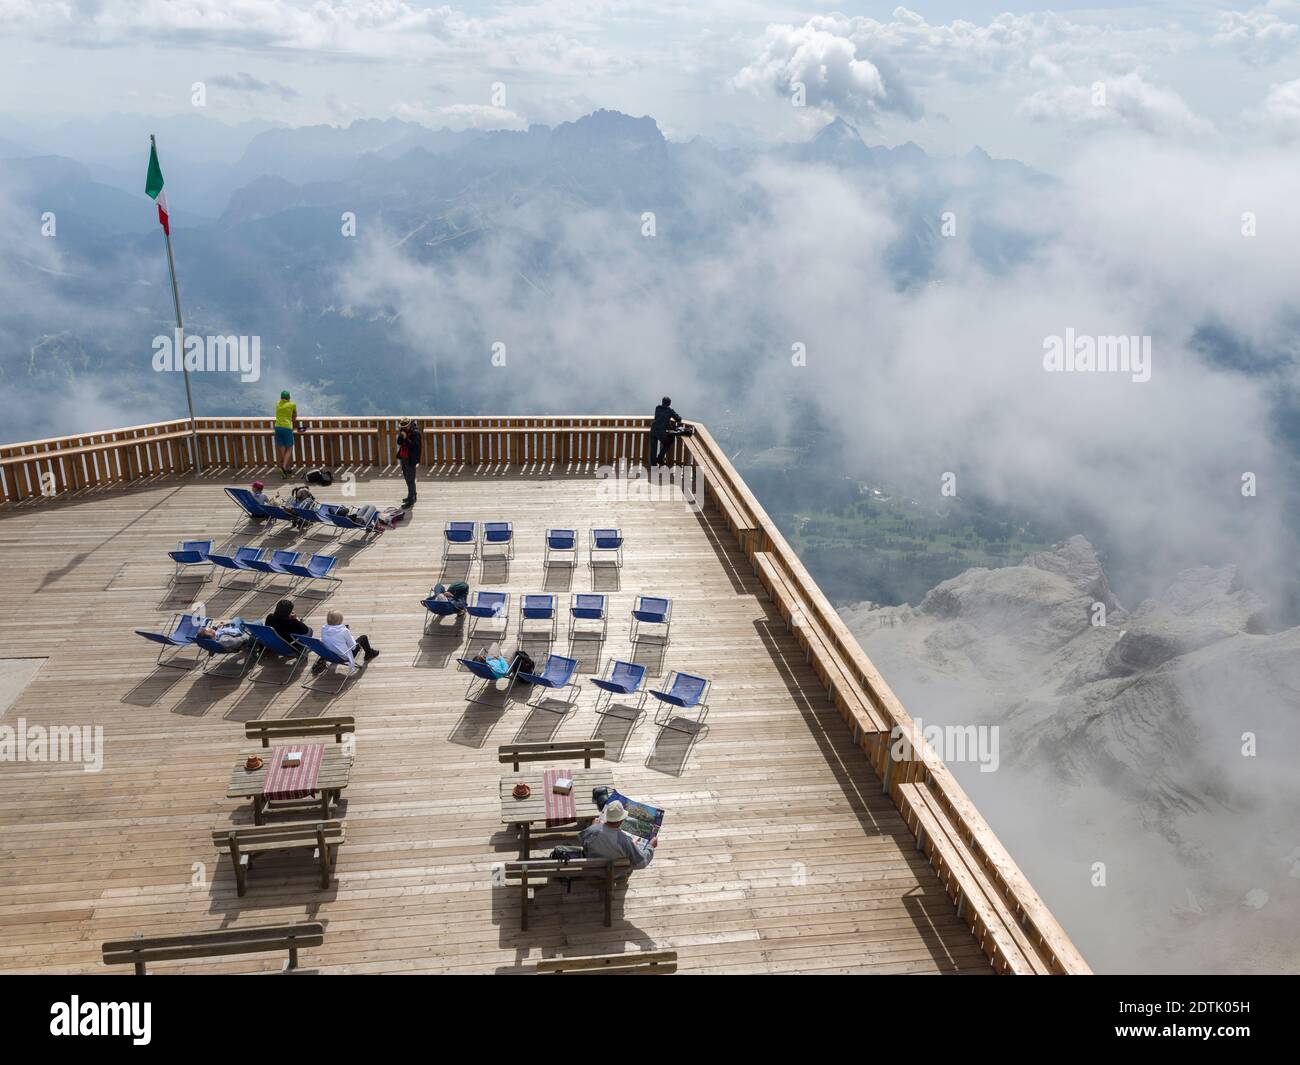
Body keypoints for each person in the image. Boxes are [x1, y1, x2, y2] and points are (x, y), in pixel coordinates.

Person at [577, 800, 656, 871]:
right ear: (621, 821)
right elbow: (642, 863)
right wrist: (651, 846)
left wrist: (593, 826)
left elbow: (580, 841)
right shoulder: (625, 840)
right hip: (616, 874)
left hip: (593, 870)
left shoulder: (592, 830)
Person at [311, 610, 379, 674]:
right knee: (363, 637)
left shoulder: (324, 629)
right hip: (343, 656)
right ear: (340, 620)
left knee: (333, 642)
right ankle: (369, 653)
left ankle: (321, 661)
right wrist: (348, 633)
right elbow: (353, 646)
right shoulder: (344, 631)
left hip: (329, 654)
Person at [648, 396, 681, 468]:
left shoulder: (657, 408)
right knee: (669, 441)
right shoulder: (670, 410)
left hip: (653, 430)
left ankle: (653, 465)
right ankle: (660, 458)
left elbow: (659, 418)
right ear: (669, 403)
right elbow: (678, 419)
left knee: (653, 448)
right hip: (660, 431)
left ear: (662, 402)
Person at [396, 417, 422, 508]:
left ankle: (411, 499)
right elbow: (399, 442)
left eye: (405, 426)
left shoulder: (416, 433)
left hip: (411, 459)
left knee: (410, 479)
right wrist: (401, 435)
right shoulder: (403, 431)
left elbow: (414, 446)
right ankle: (412, 495)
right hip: (403, 457)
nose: (404, 428)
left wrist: (406, 438)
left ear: (410, 425)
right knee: (407, 478)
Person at [273, 389, 299, 478]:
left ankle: (287, 468)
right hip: (287, 427)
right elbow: (294, 417)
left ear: (281, 397)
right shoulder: (292, 405)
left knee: (282, 447)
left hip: (277, 427)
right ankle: (284, 467)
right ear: (289, 398)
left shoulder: (277, 404)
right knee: (290, 447)